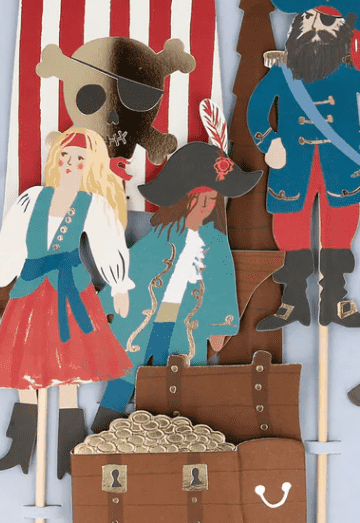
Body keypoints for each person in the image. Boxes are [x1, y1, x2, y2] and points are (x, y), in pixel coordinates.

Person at [246, 0, 360, 330]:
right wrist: (269, 141)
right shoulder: (283, 70)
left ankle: (334, 301)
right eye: (309, 18)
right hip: (292, 163)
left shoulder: (352, 67)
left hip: (340, 163)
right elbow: (257, 108)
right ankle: (293, 300)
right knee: (289, 229)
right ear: (298, 22)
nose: (315, 26)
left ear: (343, 29)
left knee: (340, 228)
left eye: (327, 21)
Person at [0, 130, 134, 478]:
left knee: (69, 370)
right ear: (56, 159)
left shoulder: (92, 205)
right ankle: (20, 450)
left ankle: (69, 455)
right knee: (24, 365)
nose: (70, 164)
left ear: (89, 166)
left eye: (79, 160)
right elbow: (13, 246)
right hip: (30, 287)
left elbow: (108, 245)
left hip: (69, 289)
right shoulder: (32, 199)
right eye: (65, 156)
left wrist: (120, 284)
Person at [90, 141, 262, 432]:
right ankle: (102, 430)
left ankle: (172, 433)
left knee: (178, 379)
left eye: (211, 199)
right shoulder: (163, 234)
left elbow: (221, 282)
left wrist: (220, 325)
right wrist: (106, 300)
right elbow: (134, 266)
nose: (205, 206)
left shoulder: (216, 242)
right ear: (184, 200)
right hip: (145, 316)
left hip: (186, 323)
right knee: (126, 373)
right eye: (198, 199)